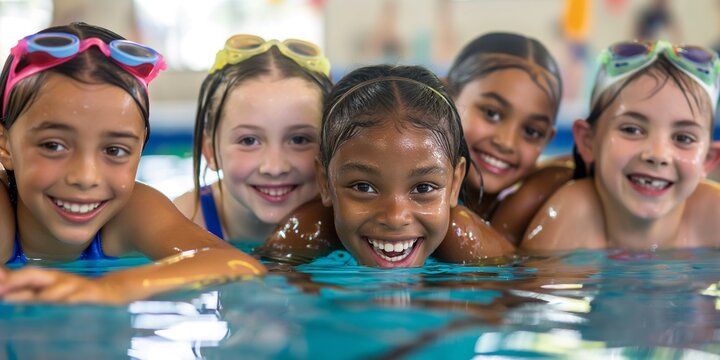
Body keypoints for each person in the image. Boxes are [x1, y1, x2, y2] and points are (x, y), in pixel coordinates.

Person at [0, 22, 265, 304]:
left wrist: (113, 288)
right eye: (53, 146)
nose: (86, 176)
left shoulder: (131, 213)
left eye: (114, 150)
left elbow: (239, 265)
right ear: (5, 145)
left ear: (140, 150)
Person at [258, 65, 514, 267]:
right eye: (364, 187)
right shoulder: (306, 231)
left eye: (423, 188)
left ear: (455, 183)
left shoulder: (465, 240)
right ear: (326, 183)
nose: (394, 217)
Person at [522, 40, 720, 250]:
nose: (658, 154)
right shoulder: (571, 217)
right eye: (632, 130)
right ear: (589, 142)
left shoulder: (713, 218)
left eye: (684, 138)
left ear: (708, 160)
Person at [172, 34, 332, 242]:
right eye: (249, 141)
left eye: (299, 140)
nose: (275, 168)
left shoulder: (350, 222)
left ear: (331, 147)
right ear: (210, 151)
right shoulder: (182, 224)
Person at [446, 32, 572, 246]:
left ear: (547, 140)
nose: (506, 142)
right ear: (446, 96)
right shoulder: (430, 208)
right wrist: (522, 206)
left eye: (532, 132)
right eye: (491, 113)